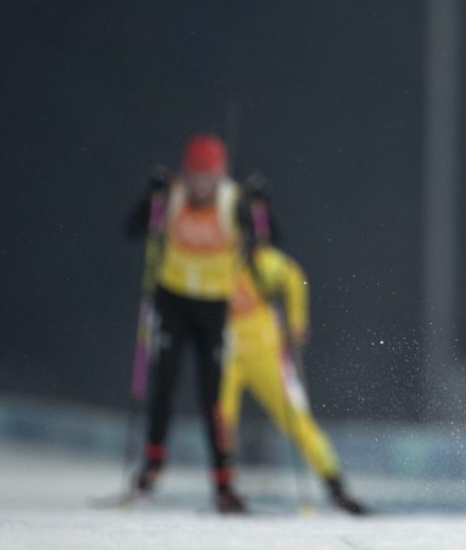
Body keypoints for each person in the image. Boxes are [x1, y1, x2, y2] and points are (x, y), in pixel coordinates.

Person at [218, 177, 368, 514]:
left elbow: (296, 278)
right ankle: (224, 486)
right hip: (226, 353)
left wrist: (298, 323)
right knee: (222, 419)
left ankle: (335, 484)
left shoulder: (263, 262)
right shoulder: (219, 262)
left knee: (298, 421)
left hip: (265, 353)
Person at [125, 133, 253, 514]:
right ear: (186, 172)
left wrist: (261, 206)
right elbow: (133, 229)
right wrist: (150, 197)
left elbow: (266, 237)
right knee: (163, 383)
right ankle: (151, 465)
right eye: (196, 176)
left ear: (221, 174)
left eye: (209, 177)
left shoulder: (232, 201)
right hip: (173, 300)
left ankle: (224, 483)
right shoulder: (172, 196)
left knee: (213, 397)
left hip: (213, 309)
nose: (202, 185)